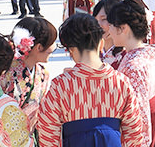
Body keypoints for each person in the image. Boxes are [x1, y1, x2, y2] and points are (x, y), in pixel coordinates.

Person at [37, 13, 143, 147]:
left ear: (71, 50)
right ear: (101, 44)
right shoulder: (121, 82)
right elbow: (134, 133)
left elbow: (47, 134)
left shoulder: (61, 86)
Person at [107, 0, 155, 147]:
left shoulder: (133, 66)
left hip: (147, 117)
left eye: (111, 25)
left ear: (123, 28)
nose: (109, 31)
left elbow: (139, 114)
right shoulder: (139, 52)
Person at [0, 17, 57, 139]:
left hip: (29, 138)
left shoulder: (42, 73)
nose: (54, 47)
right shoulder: (5, 73)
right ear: (39, 47)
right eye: (52, 42)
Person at [93, 0, 124, 69]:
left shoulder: (126, 55)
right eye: (95, 20)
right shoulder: (92, 51)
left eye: (104, 19)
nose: (98, 25)